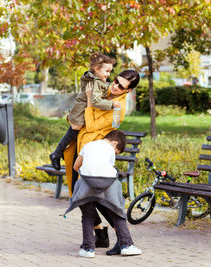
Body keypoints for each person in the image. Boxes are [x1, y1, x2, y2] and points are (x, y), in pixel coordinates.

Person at [63, 69, 140, 255]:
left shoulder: (117, 108)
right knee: (82, 196)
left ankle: (121, 239)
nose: (115, 86)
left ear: (127, 91)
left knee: (92, 198)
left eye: (121, 86)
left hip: (90, 154)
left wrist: (90, 99)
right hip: (83, 147)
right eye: (115, 80)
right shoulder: (106, 92)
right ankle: (102, 234)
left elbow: (90, 124)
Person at [64, 130, 142, 258]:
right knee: (117, 213)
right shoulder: (109, 150)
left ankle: (88, 250)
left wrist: (86, 177)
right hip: (107, 182)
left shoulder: (88, 145)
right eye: (117, 150)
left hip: (87, 183)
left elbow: (76, 166)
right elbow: (105, 171)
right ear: (115, 143)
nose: (115, 152)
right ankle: (127, 246)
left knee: (88, 216)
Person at [49, 54, 118, 171]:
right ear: (96, 69)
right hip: (80, 112)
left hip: (80, 111)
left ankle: (62, 153)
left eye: (110, 71)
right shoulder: (95, 82)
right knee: (72, 133)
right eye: (106, 71)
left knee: (73, 135)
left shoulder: (94, 80)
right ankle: (56, 153)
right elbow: (95, 101)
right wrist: (111, 104)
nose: (108, 74)